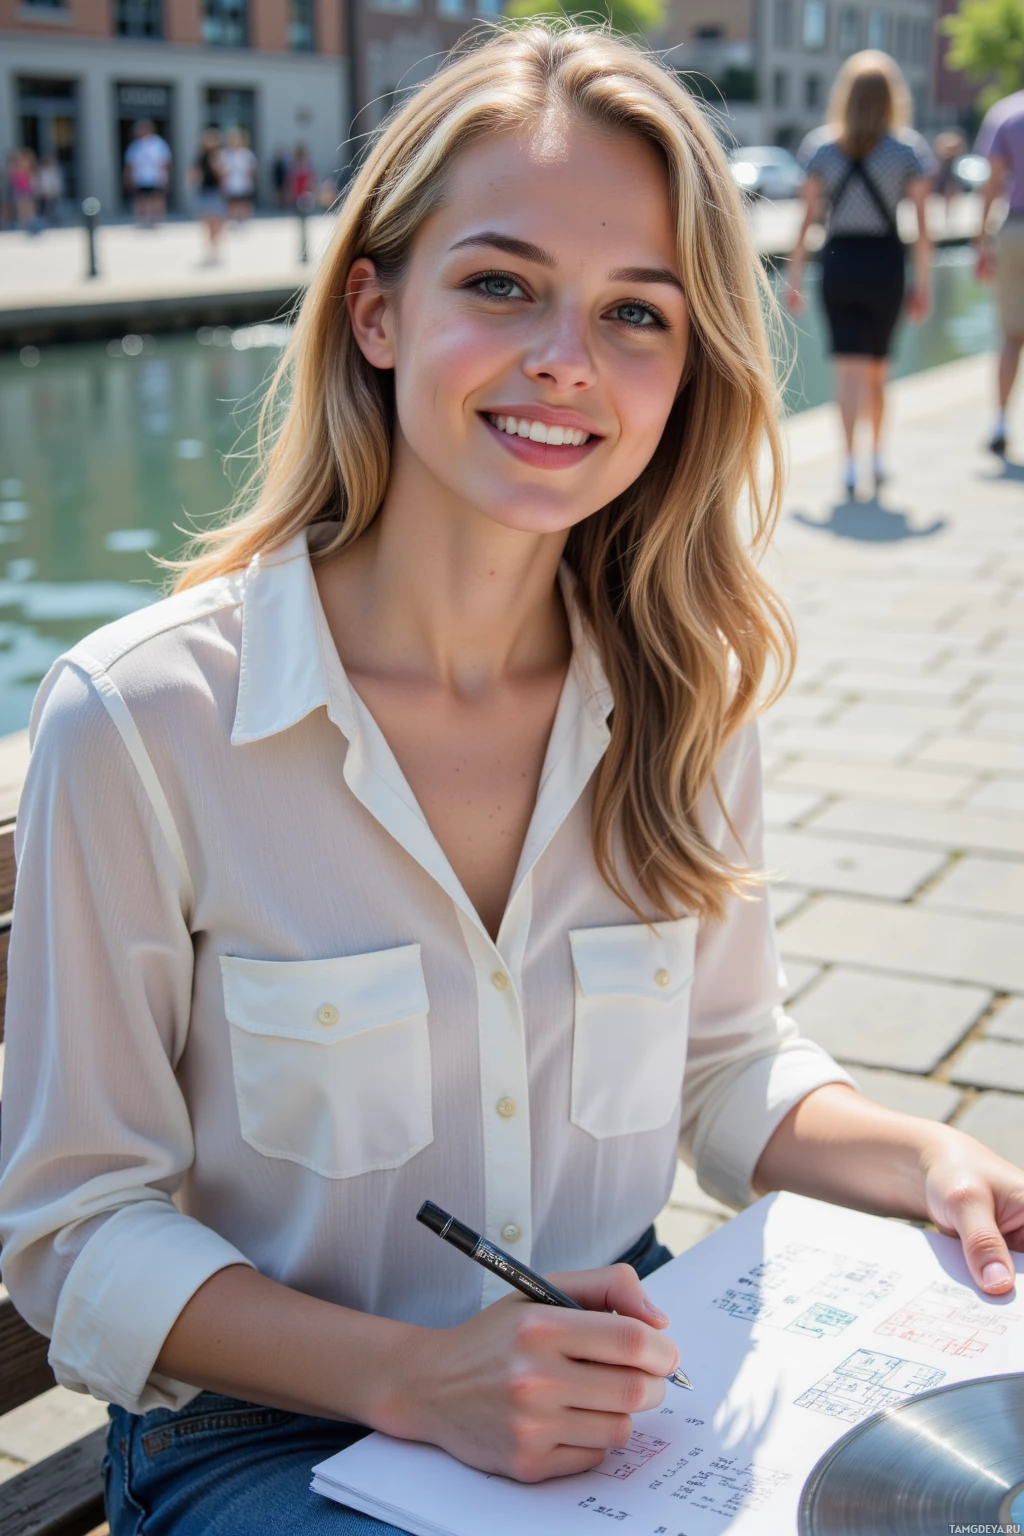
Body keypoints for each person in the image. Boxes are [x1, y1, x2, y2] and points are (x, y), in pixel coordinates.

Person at [1, 24, 1021, 1536]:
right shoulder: (147, 721)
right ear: (376, 310)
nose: (566, 360)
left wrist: (928, 1155)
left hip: (629, 1387)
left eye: (637, 315)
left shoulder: (685, 688)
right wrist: (419, 1378)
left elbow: (727, 1064)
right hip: (265, 1438)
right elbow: (74, 1234)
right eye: (500, 285)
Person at [785, 51, 933, 498]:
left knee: (846, 372)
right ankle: (878, 457)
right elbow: (924, 229)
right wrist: (923, 283)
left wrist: (793, 277)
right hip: (886, 264)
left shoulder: (821, 149)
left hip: (840, 263)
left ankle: (849, 465)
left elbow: (807, 221)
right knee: (876, 372)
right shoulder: (907, 150)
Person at [974, 88, 1024, 457]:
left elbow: (992, 182)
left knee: (1011, 336)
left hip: (1014, 230)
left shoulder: (1007, 113)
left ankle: (1001, 422)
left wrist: (981, 239)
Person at [189, 126, 226, 265]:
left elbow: (222, 176)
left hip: (215, 193)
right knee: (208, 224)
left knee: (218, 223)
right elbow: (193, 174)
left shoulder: (219, 156)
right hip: (205, 192)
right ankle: (211, 249)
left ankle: (216, 248)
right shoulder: (200, 158)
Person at [124, 119, 172, 228]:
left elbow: (165, 162)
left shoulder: (159, 143)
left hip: (156, 177)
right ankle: (142, 221)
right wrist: (129, 178)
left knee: (157, 198)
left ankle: (157, 220)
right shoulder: (135, 145)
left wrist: (166, 177)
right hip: (140, 177)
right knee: (141, 200)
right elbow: (130, 164)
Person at [220, 126, 258, 223]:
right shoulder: (226, 154)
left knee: (244, 202)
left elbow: (252, 169)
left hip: (244, 183)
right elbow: (223, 170)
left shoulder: (247, 154)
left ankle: (244, 220)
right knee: (232, 203)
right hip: (231, 183)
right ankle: (233, 220)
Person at [34, 154, 63, 225]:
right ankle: (44, 221)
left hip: (52, 194)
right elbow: (40, 183)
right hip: (44, 194)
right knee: (43, 209)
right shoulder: (41, 172)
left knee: (53, 208)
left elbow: (56, 183)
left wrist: (57, 192)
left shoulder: (54, 172)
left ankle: (53, 220)